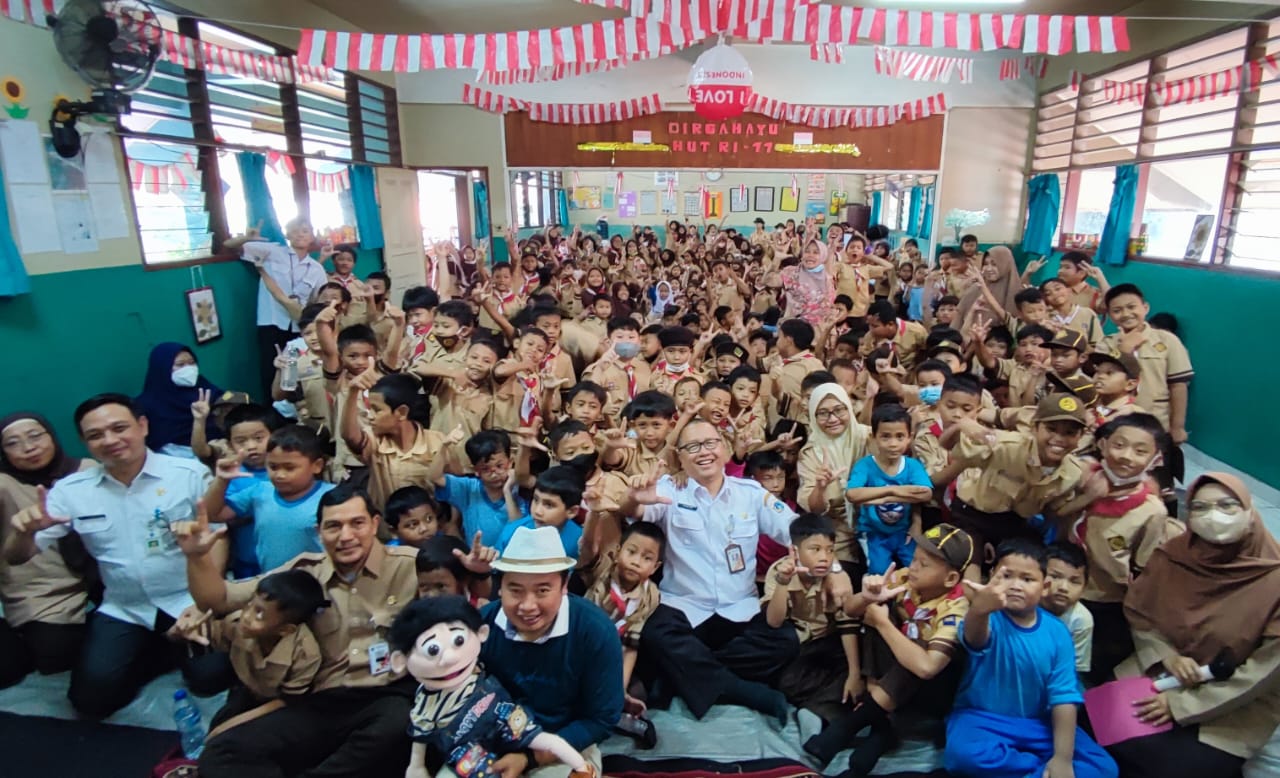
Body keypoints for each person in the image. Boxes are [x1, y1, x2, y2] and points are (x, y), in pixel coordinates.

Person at [5, 394, 231, 717]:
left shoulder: (188, 473)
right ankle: (163, 646)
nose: (110, 440)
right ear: (84, 442)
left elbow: (218, 535)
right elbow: (17, 556)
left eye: (119, 428)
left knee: (212, 678)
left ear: (142, 426)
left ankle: (172, 645)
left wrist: (205, 600)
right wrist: (22, 532)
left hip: (188, 598)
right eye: (96, 435)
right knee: (90, 699)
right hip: (125, 606)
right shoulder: (72, 490)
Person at [179, 483, 421, 778]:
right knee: (224, 753)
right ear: (319, 532)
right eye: (333, 526)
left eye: (356, 523)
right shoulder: (304, 572)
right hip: (317, 699)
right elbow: (218, 598)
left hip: (384, 697)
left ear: (374, 524)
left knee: (398, 725)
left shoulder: (411, 567)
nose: (346, 536)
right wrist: (197, 557)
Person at [624, 418, 855, 722]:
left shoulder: (751, 493)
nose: (703, 452)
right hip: (683, 607)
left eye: (709, 443)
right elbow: (636, 512)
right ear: (680, 457)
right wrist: (632, 500)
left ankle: (683, 675)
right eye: (692, 447)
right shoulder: (668, 491)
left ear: (724, 448)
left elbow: (796, 533)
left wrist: (835, 568)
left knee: (784, 641)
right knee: (654, 633)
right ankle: (736, 688)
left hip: (740, 609)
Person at [1108, 473, 1280, 778]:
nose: (1213, 516)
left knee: (1175, 768)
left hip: (1235, 698)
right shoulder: (1173, 557)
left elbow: (1264, 672)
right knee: (1093, 724)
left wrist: (1181, 705)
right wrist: (1164, 656)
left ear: (1250, 512)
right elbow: (1141, 615)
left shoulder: (1274, 579)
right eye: (1200, 507)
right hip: (1162, 673)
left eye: (1227, 505)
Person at [443, 525, 623, 778]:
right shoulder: (480, 626)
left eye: (542, 590)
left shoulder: (594, 631)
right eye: (515, 590)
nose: (528, 606)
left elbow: (601, 719)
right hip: (487, 743)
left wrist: (529, 759)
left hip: (564, 742)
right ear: (500, 587)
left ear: (564, 585)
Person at [807, 524, 974, 774]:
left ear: (950, 578)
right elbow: (850, 610)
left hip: (934, 691)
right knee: (878, 608)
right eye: (915, 558)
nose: (914, 567)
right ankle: (882, 729)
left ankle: (850, 725)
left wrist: (883, 623)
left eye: (924, 565)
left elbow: (927, 668)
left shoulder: (956, 608)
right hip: (894, 683)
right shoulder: (905, 577)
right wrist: (867, 596)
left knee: (909, 642)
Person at [944, 539, 1118, 778]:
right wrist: (979, 609)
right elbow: (974, 638)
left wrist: (1063, 759)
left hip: (1038, 723)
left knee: (1105, 768)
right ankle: (1038, 770)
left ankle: (1038, 768)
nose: (1015, 585)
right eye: (1006, 576)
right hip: (982, 718)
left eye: (1027, 579)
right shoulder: (987, 618)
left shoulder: (1057, 632)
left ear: (1044, 585)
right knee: (964, 754)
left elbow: (1064, 696)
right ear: (992, 575)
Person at [0, 412, 92, 689]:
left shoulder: (86, 470)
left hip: (100, 578)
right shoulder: (4, 484)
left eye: (35, 436)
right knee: (54, 656)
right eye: (13, 443)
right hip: (41, 589)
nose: (29, 448)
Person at [167, 569, 327, 712]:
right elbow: (204, 632)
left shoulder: (305, 654)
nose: (246, 616)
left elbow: (289, 699)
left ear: (285, 630)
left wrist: (238, 722)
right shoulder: (237, 624)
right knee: (220, 723)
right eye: (249, 604)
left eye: (259, 614)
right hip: (248, 688)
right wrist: (182, 631)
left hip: (280, 704)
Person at [763, 513, 858, 721]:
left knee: (857, 671)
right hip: (801, 645)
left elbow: (847, 625)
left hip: (832, 642)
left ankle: (821, 709)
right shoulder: (779, 571)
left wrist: (854, 672)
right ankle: (824, 706)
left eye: (830, 550)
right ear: (795, 551)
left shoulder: (836, 577)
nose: (824, 557)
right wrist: (783, 582)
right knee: (787, 682)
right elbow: (774, 621)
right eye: (815, 549)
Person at [206, 426, 334, 571]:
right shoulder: (260, 491)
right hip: (272, 583)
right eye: (273, 467)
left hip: (318, 585)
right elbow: (213, 514)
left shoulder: (332, 498)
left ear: (317, 466)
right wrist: (221, 481)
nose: (279, 475)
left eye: (289, 468)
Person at [227, 218, 330, 397]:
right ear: (287, 234)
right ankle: (275, 410)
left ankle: (298, 408)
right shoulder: (272, 251)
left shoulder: (316, 269)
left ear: (312, 236)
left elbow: (316, 300)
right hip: (272, 322)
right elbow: (228, 246)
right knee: (272, 367)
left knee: (299, 369)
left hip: (299, 326)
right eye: (295, 230)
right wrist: (245, 238)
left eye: (305, 231)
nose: (300, 234)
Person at [1096, 284, 1194, 442]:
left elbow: (1178, 386)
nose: (1126, 314)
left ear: (1145, 307)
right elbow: (1102, 381)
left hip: (1156, 420)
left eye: (1131, 307)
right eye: (1117, 310)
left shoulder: (1167, 340)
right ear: (1110, 315)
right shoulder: (1105, 344)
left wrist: (1177, 426)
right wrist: (1124, 350)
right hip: (1114, 421)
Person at [845, 404, 934, 575]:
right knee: (878, 572)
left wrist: (879, 496)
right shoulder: (865, 465)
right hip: (873, 533)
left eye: (900, 437)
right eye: (885, 437)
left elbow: (925, 492)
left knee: (915, 570)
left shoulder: (912, 466)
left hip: (904, 531)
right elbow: (853, 494)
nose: (893, 444)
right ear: (873, 437)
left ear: (910, 437)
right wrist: (892, 492)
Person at [135, 342, 222, 458]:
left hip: (217, 449)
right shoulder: (147, 405)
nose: (188, 369)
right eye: (180, 365)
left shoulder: (204, 387)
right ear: (162, 368)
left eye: (192, 363)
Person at [1042, 542, 1093, 677]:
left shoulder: (1081, 619)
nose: (1064, 587)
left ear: (1085, 588)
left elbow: (1074, 670)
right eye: (1055, 577)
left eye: (1074, 582)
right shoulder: (1025, 604)